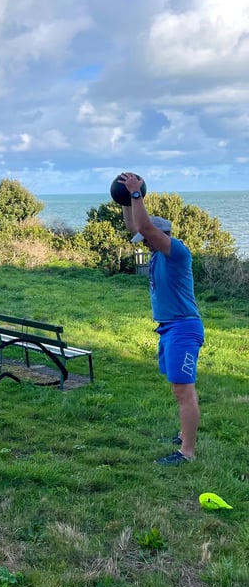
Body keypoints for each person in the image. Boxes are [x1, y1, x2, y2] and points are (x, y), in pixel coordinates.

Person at [118, 173, 204, 466]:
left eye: (149, 239)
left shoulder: (175, 252)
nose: (144, 243)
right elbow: (135, 226)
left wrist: (136, 193)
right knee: (181, 387)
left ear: (161, 235)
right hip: (170, 328)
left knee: (183, 390)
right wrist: (123, 199)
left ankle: (187, 453)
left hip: (183, 328)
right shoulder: (156, 254)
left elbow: (143, 226)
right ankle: (184, 434)